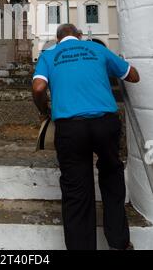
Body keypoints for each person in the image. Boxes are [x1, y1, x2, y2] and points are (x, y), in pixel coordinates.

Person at [32, 24, 140, 251]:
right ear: (79, 36)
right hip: (105, 124)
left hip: (71, 129)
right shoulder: (96, 49)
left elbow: (39, 87)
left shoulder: (49, 55)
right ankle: (119, 243)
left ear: (57, 39)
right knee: (112, 178)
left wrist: (43, 110)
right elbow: (133, 76)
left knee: (76, 191)